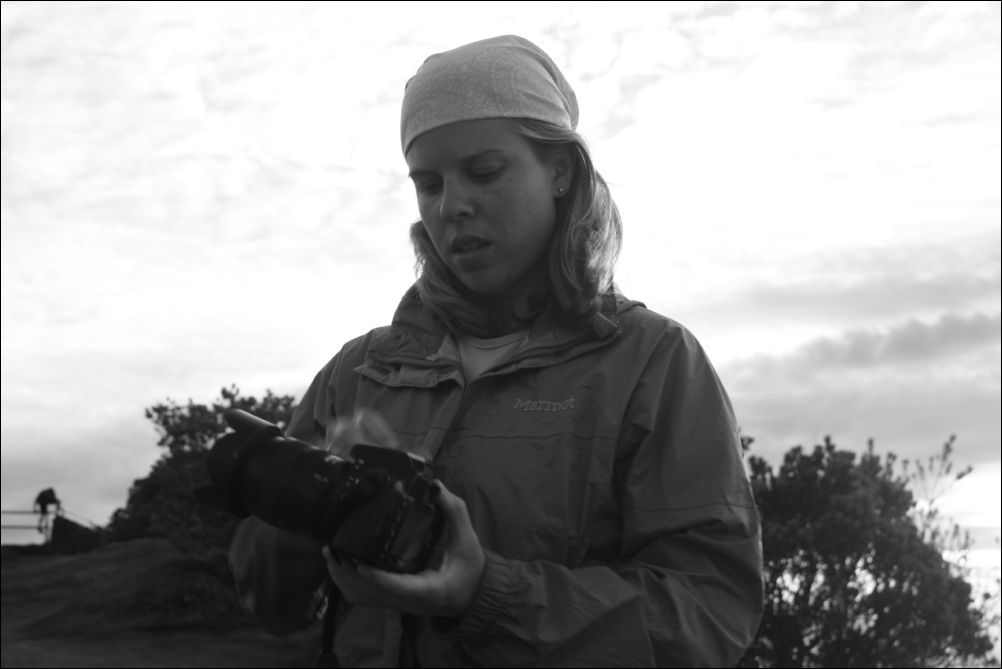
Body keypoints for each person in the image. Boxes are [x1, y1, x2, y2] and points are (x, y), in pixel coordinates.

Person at [229, 34, 764, 667]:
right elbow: (272, 604)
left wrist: (486, 595)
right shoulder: (359, 371)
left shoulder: (653, 363)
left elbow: (708, 614)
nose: (452, 206)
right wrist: (301, 511)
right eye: (428, 184)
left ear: (560, 171)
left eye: (484, 172)